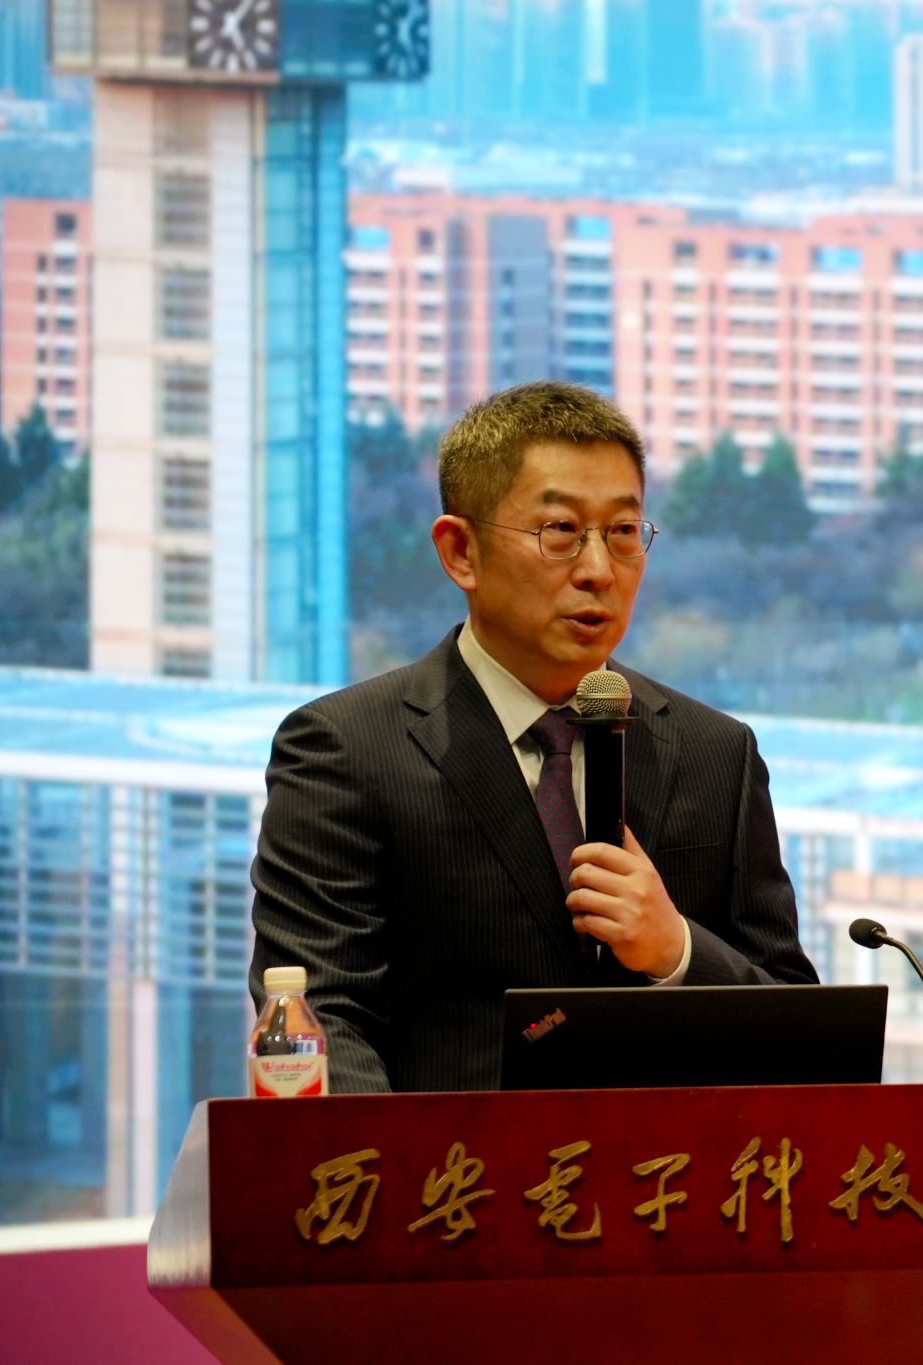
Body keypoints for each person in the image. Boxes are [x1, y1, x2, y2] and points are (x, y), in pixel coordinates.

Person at [248, 382, 818, 1092]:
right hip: (450, 1162)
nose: (598, 570)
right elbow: (323, 1021)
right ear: (461, 551)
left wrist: (676, 952)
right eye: (560, 531)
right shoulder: (346, 752)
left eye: (622, 531)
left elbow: (804, 1040)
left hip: (669, 1164)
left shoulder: (715, 753)